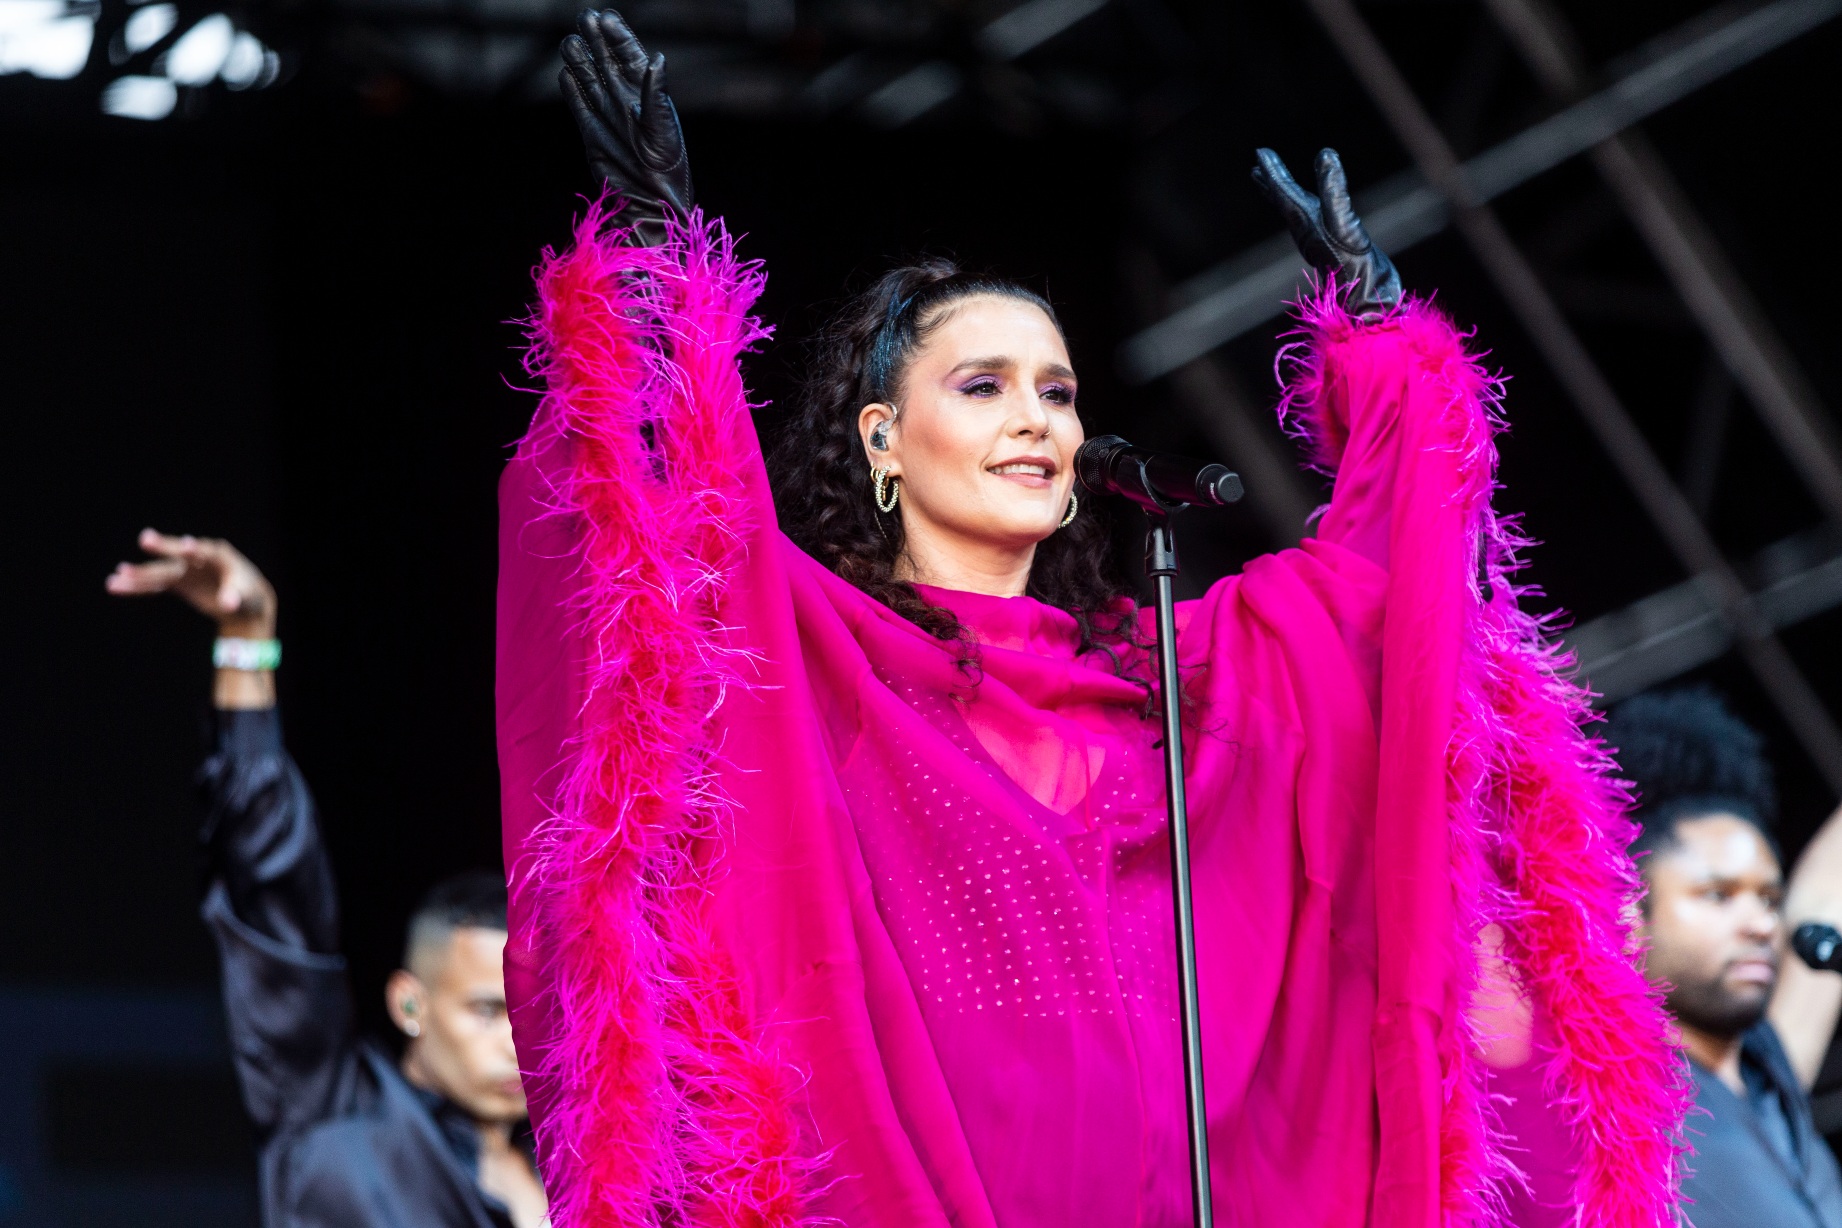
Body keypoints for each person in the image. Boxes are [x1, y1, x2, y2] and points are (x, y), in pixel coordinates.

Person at [492, 12, 1682, 1225]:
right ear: (883, 441)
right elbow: (660, 547)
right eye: (983, 386)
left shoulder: (1186, 669)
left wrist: (1382, 355)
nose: (1037, 420)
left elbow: (1391, 602)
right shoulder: (814, 658)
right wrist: (654, 278)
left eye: (1057, 392)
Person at [106, 530, 548, 1228]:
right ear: (411, 1005)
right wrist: (248, 639)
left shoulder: (584, 1167)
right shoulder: (335, 1115)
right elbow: (272, 886)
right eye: (488, 1012)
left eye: (530, 1017)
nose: (515, 1047)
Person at [1605, 688, 1842, 1228]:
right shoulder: (1617, 1107)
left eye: (1769, 899)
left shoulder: (1768, 1072)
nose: (1760, 923)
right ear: (1631, 918)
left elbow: (1830, 893)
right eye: (1719, 895)